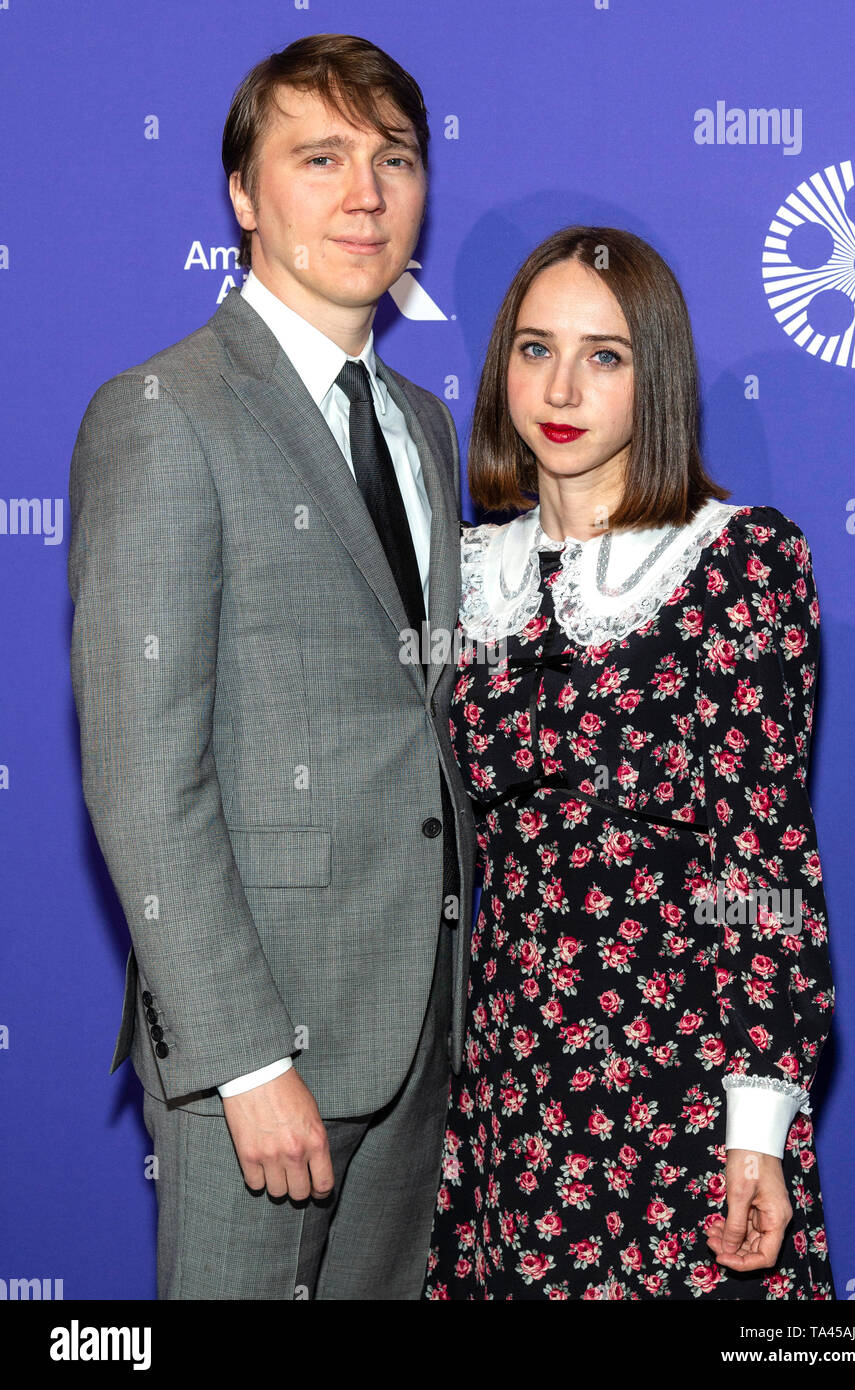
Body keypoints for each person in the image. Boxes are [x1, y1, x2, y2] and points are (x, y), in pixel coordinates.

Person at [67, 33, 475, 1300]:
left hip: (425, 1030)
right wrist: (245, 1061)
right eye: (321, 157)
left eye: (393, 159)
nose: (366, 193)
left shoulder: (420, 422)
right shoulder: (162, 414)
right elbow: (143, 778)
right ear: (244, 196)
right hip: (265, 1050)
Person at [423, 225, 835, 1300]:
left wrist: (759, 1129)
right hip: (507, 1090)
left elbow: (765, 871)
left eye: (605, 356)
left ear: (655, 382)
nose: (561, 385)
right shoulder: (460, 574)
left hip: (681, 1090)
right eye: (533, 348)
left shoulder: (738, 563)